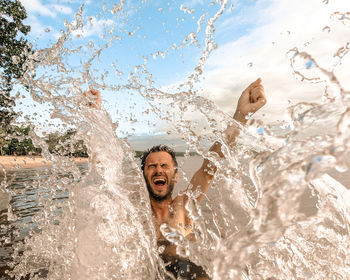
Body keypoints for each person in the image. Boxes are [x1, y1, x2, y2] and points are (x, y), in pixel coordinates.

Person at [85, 78, 266, 279]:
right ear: (144, 174)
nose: (158, 170)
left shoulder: (185, 205)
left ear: (175, 175)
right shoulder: (135, 210)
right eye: (152, 166)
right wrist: (95, 117)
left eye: (164, 166)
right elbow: (106, 166)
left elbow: (210, 166)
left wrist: (241, 116)